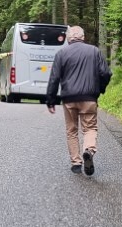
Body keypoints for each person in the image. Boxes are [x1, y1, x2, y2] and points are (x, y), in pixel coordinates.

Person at [44, 25, 112, 176]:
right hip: (89, 97)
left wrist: (50, 100)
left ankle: (76, 163)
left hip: (69, 98)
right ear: (83, 37)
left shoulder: (61, 53)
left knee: (71, 130)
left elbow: (54, 78)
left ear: (68, 38)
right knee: (90, 128)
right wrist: (99, 89)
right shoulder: (94, 51)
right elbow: (106, 73)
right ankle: (89, 150)